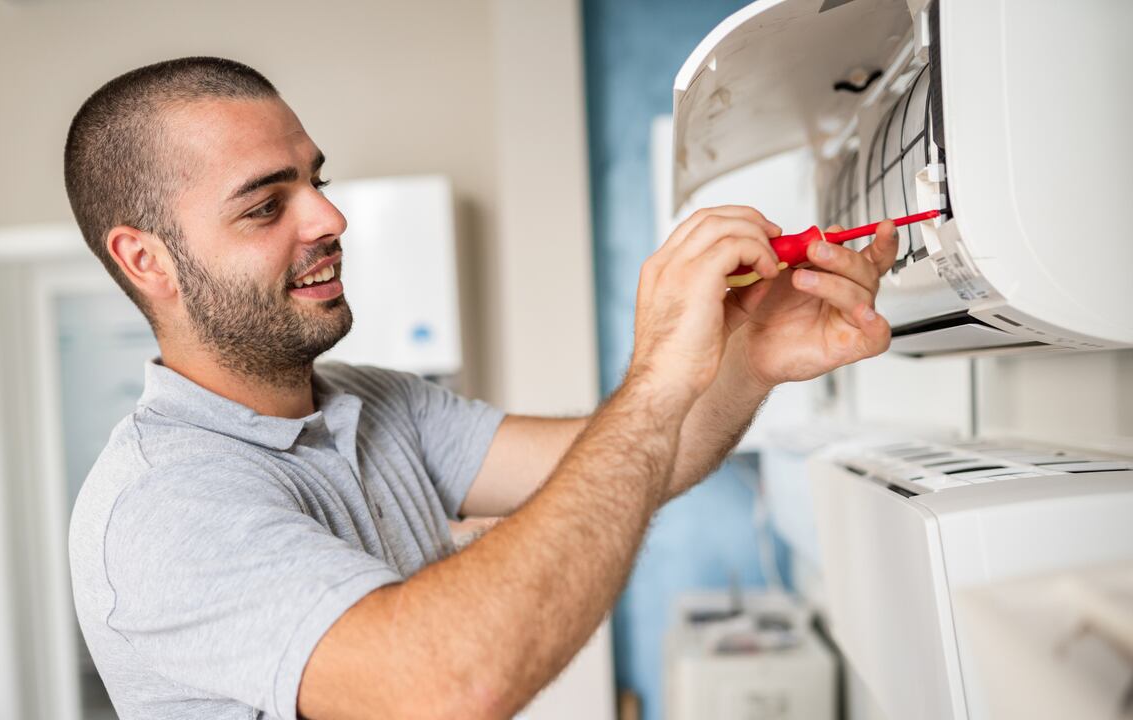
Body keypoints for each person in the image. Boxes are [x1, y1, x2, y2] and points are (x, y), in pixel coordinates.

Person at [64, 57, 896, 720]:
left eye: (315, 180)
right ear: (148, 260)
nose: (327, 219)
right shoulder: (161, 507)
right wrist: (655, 376)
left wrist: (749, 356)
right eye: (264, 206)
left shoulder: (371, 402)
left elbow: (644, 460)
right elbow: (448, 686)